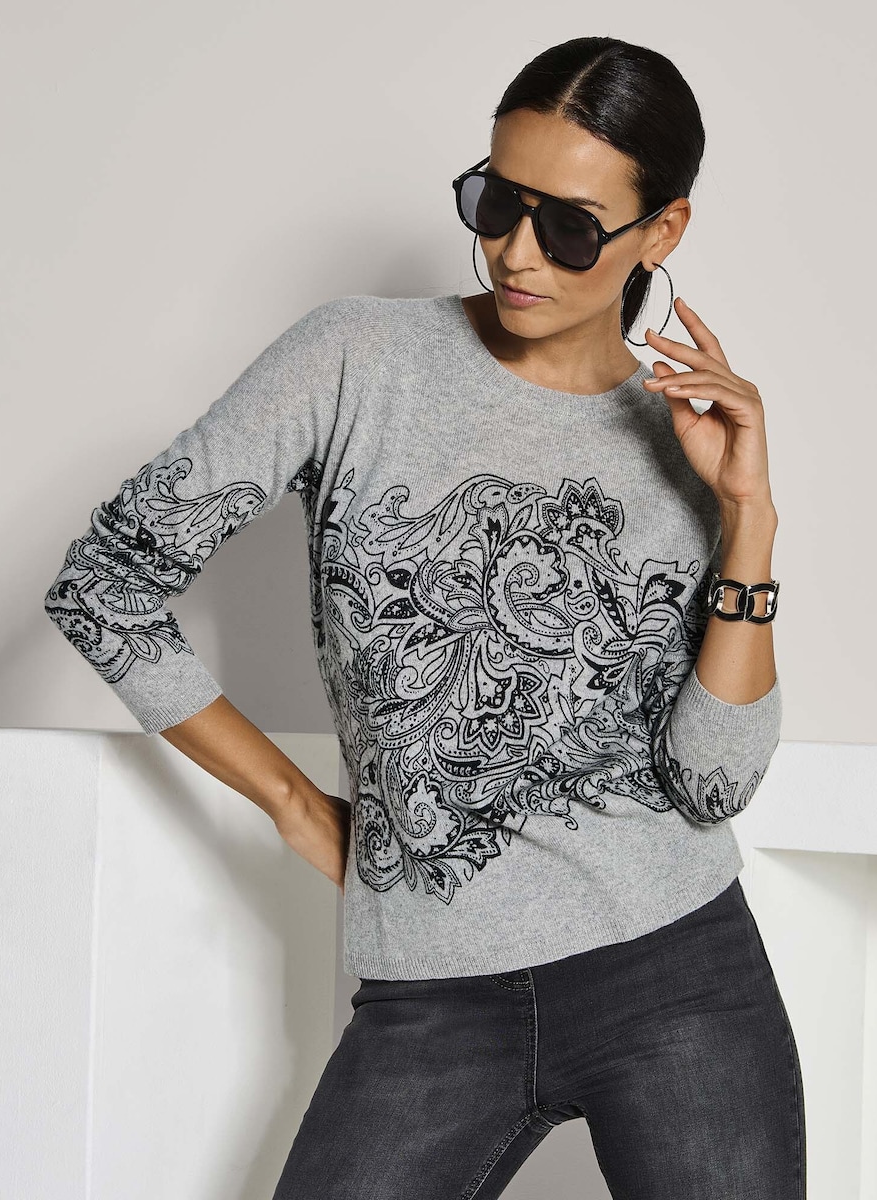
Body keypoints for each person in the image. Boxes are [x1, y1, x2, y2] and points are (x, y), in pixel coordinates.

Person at [43, 35, 806, 1200]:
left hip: (679, 973)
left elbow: (712, 785)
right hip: (433, 997)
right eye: (498, 202)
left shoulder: (689, 441)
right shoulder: (357, 360)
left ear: (662, 232)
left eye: (570, 227)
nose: (516, 253)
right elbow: (105, 585)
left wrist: (748, 517)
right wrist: (294, 803)